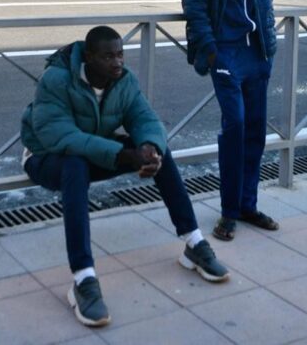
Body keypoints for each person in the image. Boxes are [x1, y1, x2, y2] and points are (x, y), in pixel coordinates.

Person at [20, 25, 229, 328]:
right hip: (46, 157)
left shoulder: (123, 81)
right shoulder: (57, 79)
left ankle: (194, 243)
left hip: (94, 151)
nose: (117, 62)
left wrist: (147, 149)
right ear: (88, 58)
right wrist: (120, 156)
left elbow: (145, 118)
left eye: (120, 54)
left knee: (160, 152)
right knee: (76, 165)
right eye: (108, 57)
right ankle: (83, 280)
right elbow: (58, 136)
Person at [182, 0, 279, 242]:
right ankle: (228, 212)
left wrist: (269, 48)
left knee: (255, 132)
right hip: (225, 53)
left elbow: (265, 0)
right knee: (235, 126)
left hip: (256, 55)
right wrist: (209, 48)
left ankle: (247, 205)